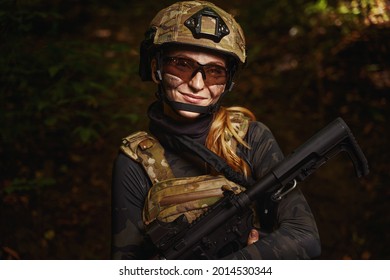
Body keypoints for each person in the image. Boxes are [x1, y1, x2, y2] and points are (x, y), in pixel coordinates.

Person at [111, 0, 321, 259]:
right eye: (182, 65)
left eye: (214, 72)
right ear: (157, 67)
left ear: (228, 81)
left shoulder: (249, 138)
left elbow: (305, 237)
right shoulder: (136, 162)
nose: (197, 84)